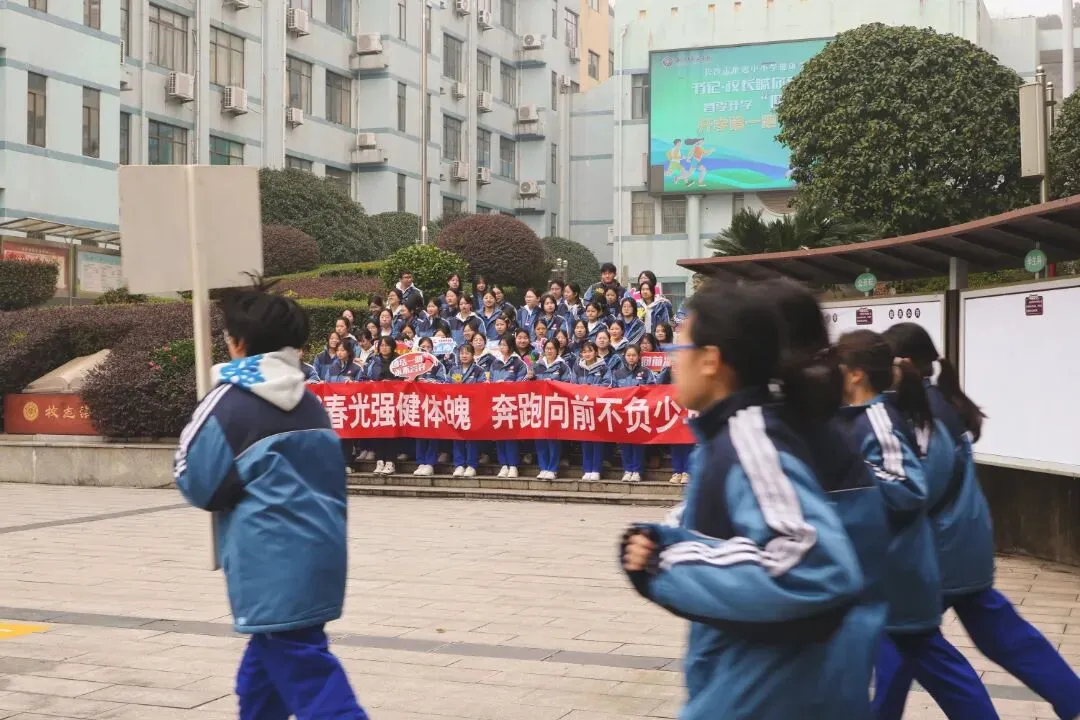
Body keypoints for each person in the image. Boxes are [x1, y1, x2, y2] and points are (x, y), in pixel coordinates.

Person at [619, 280, 871, 720]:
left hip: (766, 691)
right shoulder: (728, 436)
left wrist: (667, 560)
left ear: (711, 360)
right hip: (744, 680)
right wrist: (666, 540)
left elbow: (812, 565)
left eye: (679, 350)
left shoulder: (750, 438)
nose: (671, 362)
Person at [173, 286, 368, 720]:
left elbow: (196, 480)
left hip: (269, 566)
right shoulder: (311, 403)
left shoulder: (229, 401)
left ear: (238, 343)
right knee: (259, 683)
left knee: (313, 682)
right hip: (319, 559)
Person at [879, 324, 1080, 720]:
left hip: (935, 553)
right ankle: (1072, 696)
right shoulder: (942, 402)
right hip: (965, 543)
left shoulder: (920, 413)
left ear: (902, 363)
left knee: (902, 639)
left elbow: (922, 488)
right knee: (1000, 633)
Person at [834, 330, 996, 720]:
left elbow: (909, 488)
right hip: (884, 570)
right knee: (909, 658)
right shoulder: (857, 418)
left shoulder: (878, 420)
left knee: (927, 658)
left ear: (855, 373)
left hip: (899, 571)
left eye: (837, 366)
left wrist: (853, 470)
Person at [611, 344, 654, 482]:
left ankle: (637, 471)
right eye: (628, 355)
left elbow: (653, 390)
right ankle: (627, 469)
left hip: (639, 413)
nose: (631, 358)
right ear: (624, 356)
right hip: (623, 413)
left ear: (639, 356)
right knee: (624, 443)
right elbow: (612, 392)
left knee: (637, 443)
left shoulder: (646, 372)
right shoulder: (617, 373)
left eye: (634, 355)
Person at [532, 339, 572, 480]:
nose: (549, 351)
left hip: (555, 407)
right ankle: (543, 467)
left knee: (553, 438)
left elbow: (568, 384)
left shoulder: (563, 366)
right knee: (540, 438)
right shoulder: (537, 365)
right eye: (547, 348)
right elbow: (529, 385)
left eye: (552, 348)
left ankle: (553, 468)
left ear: (557, 350)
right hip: (539, 406)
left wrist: (553, 384)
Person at [489, 336, 527, 478]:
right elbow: (490, 379)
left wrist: (507, 384)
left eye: (504, 345)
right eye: (500, 345)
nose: (502, 347)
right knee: (499, 435)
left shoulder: (519, 363)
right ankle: (503, 464)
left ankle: (513, 465)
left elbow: (522, 383)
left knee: (511, 436)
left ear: (511, 346)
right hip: (497, 403)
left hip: (512, 404)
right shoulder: (495, 362)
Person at [573, 341, 611, 481]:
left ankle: (596, 469)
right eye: (584, 352)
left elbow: (608, 384)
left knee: (597, 440)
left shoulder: (604, 368)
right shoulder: (577, 368)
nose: (587, 354)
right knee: (585, 440)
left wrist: (591, 390)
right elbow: (572, 385)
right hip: (582, 408)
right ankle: (587, 469)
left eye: (590, 351)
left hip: (598, 409)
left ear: (595, 352)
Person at [412, 336, 446, 477]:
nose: (425, 349)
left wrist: (430, 381)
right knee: (419, 432)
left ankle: (430, 463)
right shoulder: (413, 363)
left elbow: (443, 381)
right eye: (423, 347)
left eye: (428, 347)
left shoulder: (437, 364)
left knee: (432, 432)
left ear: (432, 348)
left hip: (433, 403)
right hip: (417, 402)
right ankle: (420, 462)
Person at [367, 337, 401, 476]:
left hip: (394, 401)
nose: (384, 348)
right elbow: (364, 377)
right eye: (381, 345)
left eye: (387, 345)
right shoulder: (373, 361)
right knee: (378, 431)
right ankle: (380, 460)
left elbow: (404, 379)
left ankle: (390, 462)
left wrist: (392, 382)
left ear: (392, 347)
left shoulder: (399, 361)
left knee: (391, 432)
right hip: (377, 400)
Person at [450, 343, 485, 477]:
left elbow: (482, 388)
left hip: (472, 408)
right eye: (462, 353)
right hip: (457, 407)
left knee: (471, 437)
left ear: (473, 355)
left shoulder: (479, 370)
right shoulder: (454, 369)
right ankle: (459, 464)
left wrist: (467, 390)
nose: (464, 356)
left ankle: (471, 465)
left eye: (467, 353)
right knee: (457, 436)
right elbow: (446, 386)